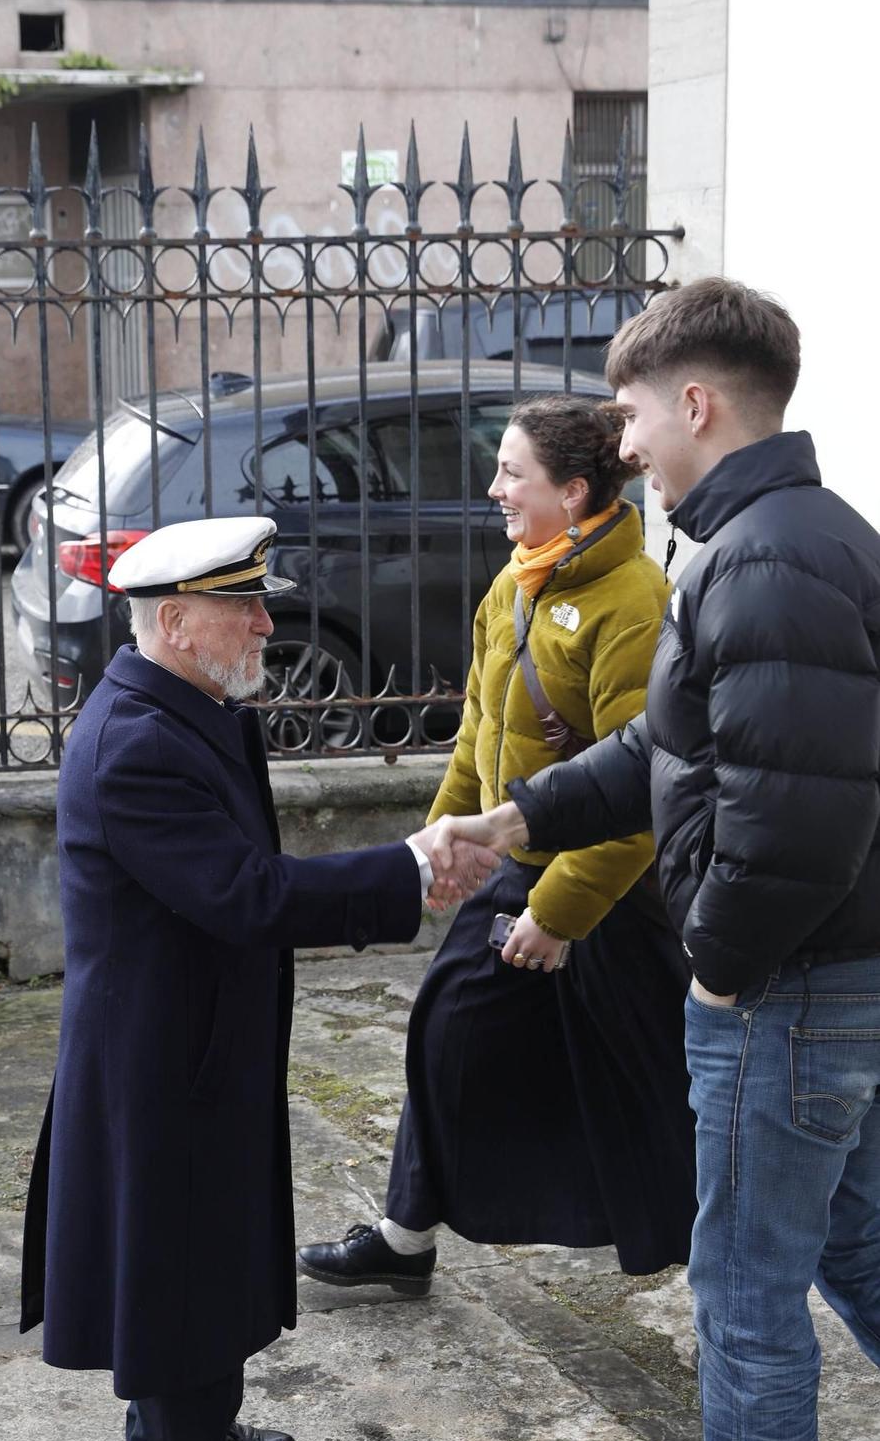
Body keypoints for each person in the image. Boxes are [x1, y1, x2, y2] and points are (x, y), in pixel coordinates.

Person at [429, 277, 880, 1441]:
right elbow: (677, 755)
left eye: (627, 414)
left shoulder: (761, 560)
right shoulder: (771, 542)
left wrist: (723, 976)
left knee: (747, 1300)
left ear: (695, 405)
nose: (619, 444)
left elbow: (794, 815)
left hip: (787, 998)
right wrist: (517, 818)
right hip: (831, 985)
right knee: (861, 1247)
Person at [20, 516, 475, 1441]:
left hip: (204, 1026)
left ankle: (198, 1427)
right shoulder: (138, 740)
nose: (269, 621)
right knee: (177, 1243)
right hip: (157, 1046)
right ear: (176, 621)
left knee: (212, 1229)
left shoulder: (194, 704)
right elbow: (247, 894)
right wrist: (409, 867)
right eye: (245, 606)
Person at [298, 396, 695, 1295]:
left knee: (654, 1087)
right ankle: (405, 1240)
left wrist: (557, 916)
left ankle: (723, 1262)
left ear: (575, 489)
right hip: (517, 864)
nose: (494, 489)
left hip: (606, 896)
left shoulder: (633, 604)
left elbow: (639, 793)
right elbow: (481, 724)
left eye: (513, 473)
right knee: (450, 1034)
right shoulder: (518, 580)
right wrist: (449, 841)